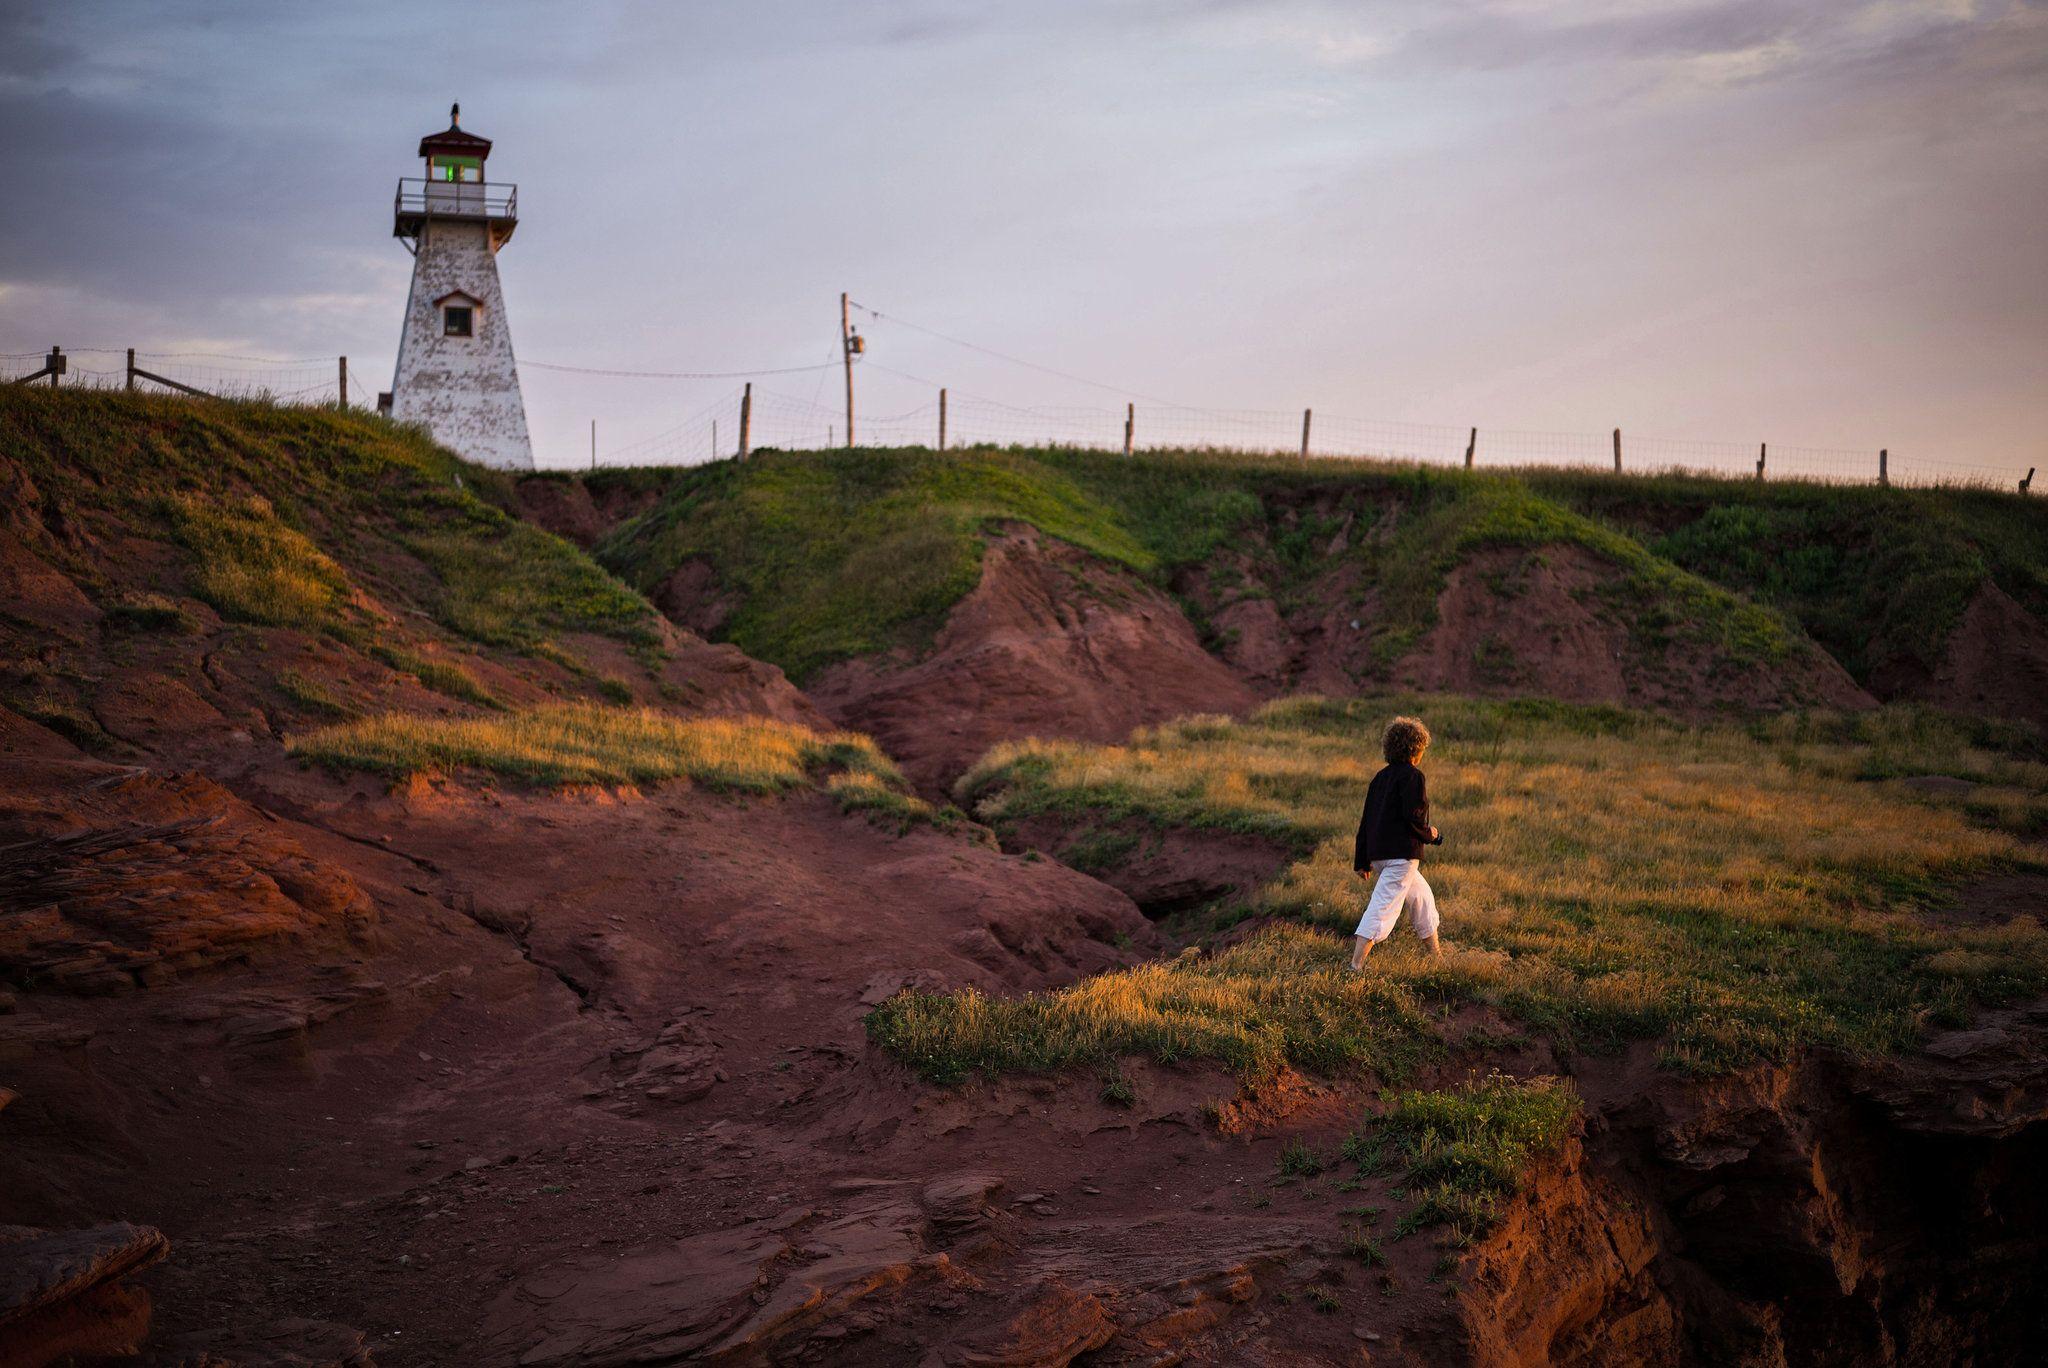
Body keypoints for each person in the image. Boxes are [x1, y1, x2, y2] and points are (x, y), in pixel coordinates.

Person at [1349, 715, 1444, 969]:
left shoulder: (1379, 778)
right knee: (1383, 908)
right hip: (1402, 857)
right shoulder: (1413, 777)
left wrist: (1363, 861)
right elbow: (1413, 819)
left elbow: (1366, 822)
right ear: (1416, 749)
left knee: (1422, 897)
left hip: (1381, 856)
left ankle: (1436, 958)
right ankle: (1355, 966)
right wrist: (1431, 835)